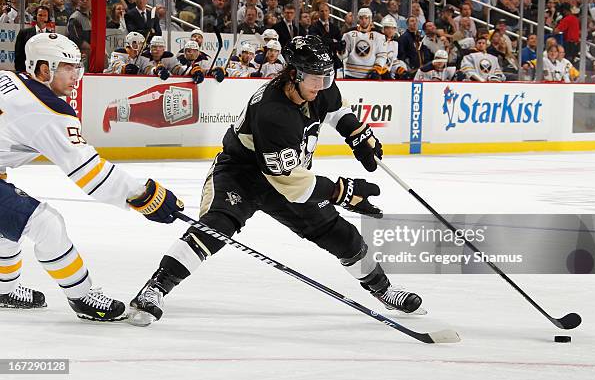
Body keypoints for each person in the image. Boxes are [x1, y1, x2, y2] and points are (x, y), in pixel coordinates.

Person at [127, 35, 422, 326]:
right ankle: (154, 288)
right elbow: (296, 185)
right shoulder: (273, 113)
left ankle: (384, 290)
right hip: (241, 174)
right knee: (216, 229)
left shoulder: (318, 87)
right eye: (315, 79)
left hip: (287, 174)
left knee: (340, 234)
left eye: (326, 78)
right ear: (294, 74)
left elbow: (336, 109)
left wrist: (356, 133)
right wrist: (340, 191)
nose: (322, 86)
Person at [0, 33, 183, 318]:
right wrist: (142, 195)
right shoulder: (47, 110)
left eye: (76, 66)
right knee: (45, 224)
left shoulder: (10, 79)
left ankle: (4, 288)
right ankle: (82, 297)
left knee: (12, 220)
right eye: (68, 67)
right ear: (44, 69)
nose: (76, 74)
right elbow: (90, 173)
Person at [341, 8, 387, 79]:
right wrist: (341, 50)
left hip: (371, 75)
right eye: (361, 18)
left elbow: (382, 55)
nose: (364, 21)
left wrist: (377, 69)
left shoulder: (379, 35)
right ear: (358, 19)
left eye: (366, 18)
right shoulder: (348, 34)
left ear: (370, 19)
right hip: (350, 74)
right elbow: (343, 56)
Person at [14, 6, 51, 72]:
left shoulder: (51, 36)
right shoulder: (24, 33)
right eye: (40, 15)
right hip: (26, 70)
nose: (42, 18)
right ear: (35, 16)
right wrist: (20, 71)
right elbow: (18, 54)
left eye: (45, 15)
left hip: (44, 72)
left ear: (48, 18)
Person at [380, 15, 409, 80]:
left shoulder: (395, 44)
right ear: (383, 29)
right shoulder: (378, 42)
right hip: (377, 73)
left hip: (388, 73)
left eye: (393, 28)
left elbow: (393, 62)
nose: (390, 30)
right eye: (387, 28)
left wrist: (399, 69)